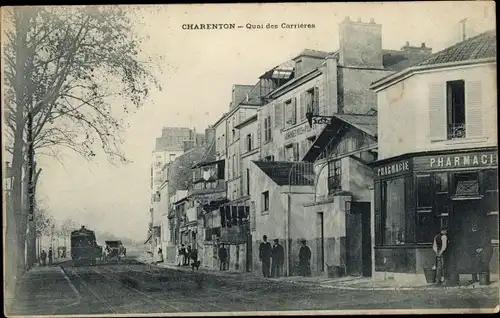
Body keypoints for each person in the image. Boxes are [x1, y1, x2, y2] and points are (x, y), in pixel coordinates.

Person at [469, 219, 493, 284]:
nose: (474, 227)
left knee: (481, 264)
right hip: (473, 250)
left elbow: (482, 241)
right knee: (473, 264)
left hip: (479, 250)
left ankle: (483, 279)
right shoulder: (471, 233)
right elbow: (470, 242)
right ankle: (474, 279)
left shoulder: (480, 232)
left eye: (475, 226)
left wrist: (480, 248)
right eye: (473, 225)